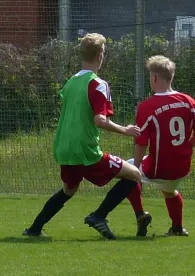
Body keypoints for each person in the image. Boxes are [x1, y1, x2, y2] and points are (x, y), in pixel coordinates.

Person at [23, 33, 147, 240]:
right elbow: (100, 120)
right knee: (134, 174)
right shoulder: (98, 84)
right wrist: (126, 130)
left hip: (64, 146)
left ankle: (35, 228)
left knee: (69, 190)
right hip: (85, 149)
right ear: (100, 56)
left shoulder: (71, 82)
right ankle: (99, 216)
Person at [126, 55, 195, 236]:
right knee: (169, 190)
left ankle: (140, 214)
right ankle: (177, 228)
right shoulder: (188, 101)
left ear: (154, 78)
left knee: (127, 172)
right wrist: (186, 148)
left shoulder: (147, 106)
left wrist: (136, 169)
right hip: (181, 166)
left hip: (159, 167)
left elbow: (141, 142)